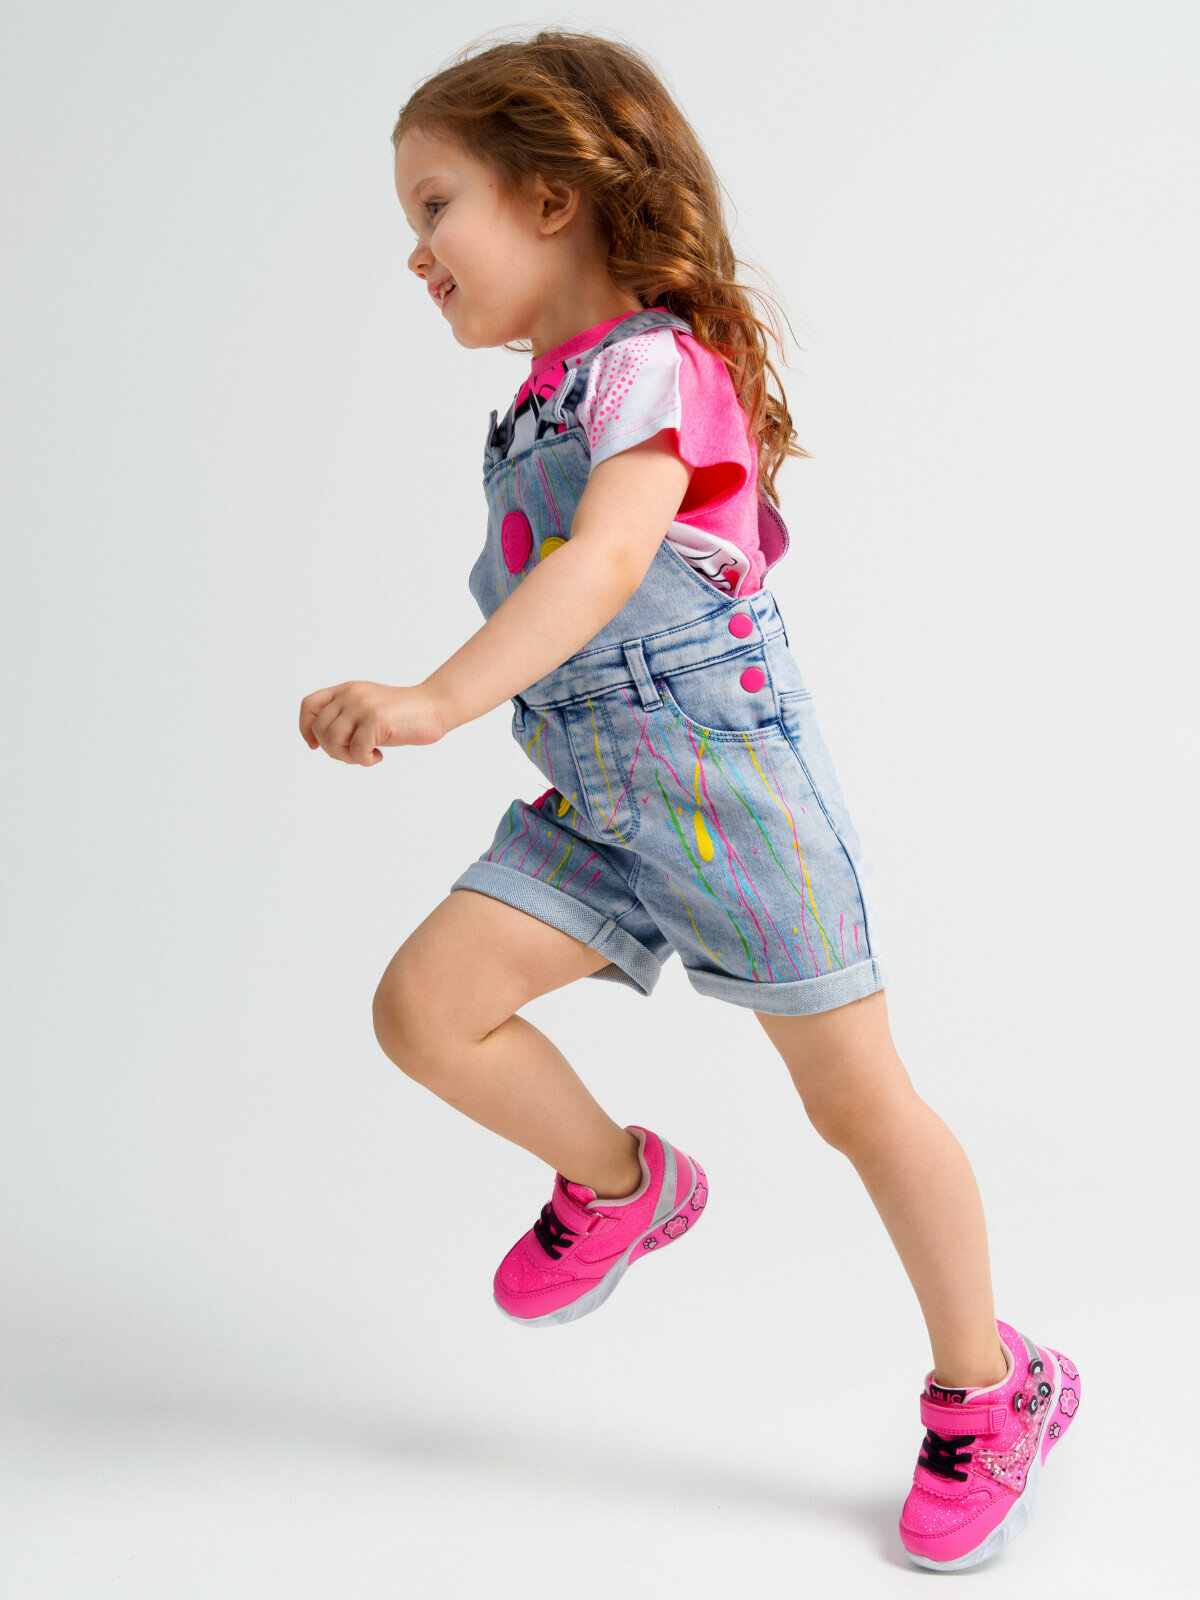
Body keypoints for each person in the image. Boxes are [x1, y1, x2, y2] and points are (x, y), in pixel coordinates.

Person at [298, 28, 1080, 1573]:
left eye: (435, 206)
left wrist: (436, 697)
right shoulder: (537, 404)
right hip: (598, 800)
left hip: (728, 794)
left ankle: (995, 1388)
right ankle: (624, 1185)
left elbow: (603, 566)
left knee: (857, 1105)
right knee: (425, 1011)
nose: (415, 253)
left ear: (552, 197)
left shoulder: (655, 369)